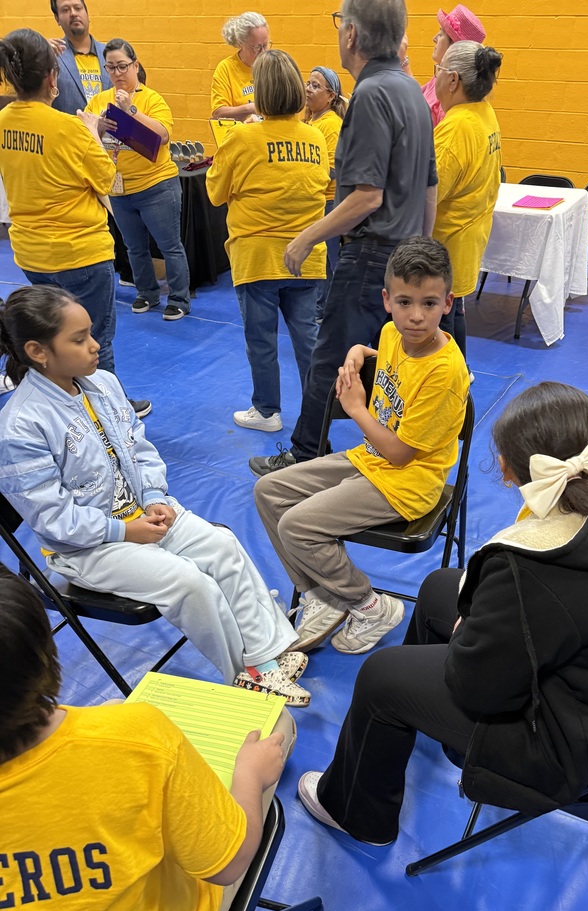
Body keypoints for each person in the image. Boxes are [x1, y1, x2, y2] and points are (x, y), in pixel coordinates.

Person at [295, 381, 588, 845]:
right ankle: (406, 726)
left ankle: (359, 814)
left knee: (382, 676)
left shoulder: (532, 565)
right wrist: (478, 622)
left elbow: (480, 690)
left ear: (506, 469)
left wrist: (467, 637)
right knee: (440, 588)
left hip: (570, 746)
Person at [0, 285, 311, 707]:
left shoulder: (103, 384)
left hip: (144, 513)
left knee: (222, 545)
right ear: (38, 351)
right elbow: (52, 519)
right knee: (188, 582)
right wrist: (124, 531)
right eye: (79, 340)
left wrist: (153, 496)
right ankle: (244, 675)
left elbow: (139, 449)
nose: (95, 346)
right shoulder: (21, 425)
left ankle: (264, 656)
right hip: (88, 546)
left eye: (91, 333)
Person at [0, 563, 295, 911]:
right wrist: (248, 777)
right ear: (45, 653)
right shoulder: (136, 736)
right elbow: (229, 866)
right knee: (277, 725)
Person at [254, 237, 469, 656]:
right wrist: (357, 350)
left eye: (429, 304)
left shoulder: (445, 372)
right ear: (387, 300)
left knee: (297, 525)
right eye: (405, 302)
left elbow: (402, 455)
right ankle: (321, 593)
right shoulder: (390, 332)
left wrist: (356, 409)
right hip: (370, 461)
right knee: (268, 491)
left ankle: (370, 606)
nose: (416, 317)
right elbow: (384, 355)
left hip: (407, 482)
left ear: (448, 303)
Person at [249, 0, 437, 477]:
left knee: (330, 361)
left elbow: (367, 197)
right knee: (384, 363)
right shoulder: (412, 91)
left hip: (371, 253)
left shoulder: (372, 94)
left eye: (339, 24)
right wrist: (422, 250)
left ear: (351, 35)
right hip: (402, 252)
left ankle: (305, 454)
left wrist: (304, 238)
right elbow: (428, 186)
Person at [0, 28, 150, 418]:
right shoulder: (69, 128)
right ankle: (108, 413)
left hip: (32, 253)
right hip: (80, 252)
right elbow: (105, 181)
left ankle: (64, 409)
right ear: (53, 77)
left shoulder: (3, 121)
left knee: (51, 339)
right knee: (94, 340)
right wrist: (91, 133)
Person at [207, 50, 329, 433]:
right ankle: (318, 413)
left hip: (257, 257)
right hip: (306, 254)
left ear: (259, 93)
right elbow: (320, 188)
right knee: (308, 339)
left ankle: (266, 410)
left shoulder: (242, 137)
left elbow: (214, 192)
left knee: (261, 340)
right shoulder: (315, 137)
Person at [85, 39, 191, 321]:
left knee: (169, 246)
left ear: (135, 65)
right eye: (111, 67)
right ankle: (147, 292)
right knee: (134, 247)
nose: (118, 73)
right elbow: (87, 138)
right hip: (119, 189)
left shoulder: (151, 98)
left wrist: (132, 110)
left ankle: (179, 298)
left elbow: (164, 134)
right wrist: (98, 126)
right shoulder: (98, 100)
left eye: (123, 66)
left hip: (156, 186)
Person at [432, 41, 503, 357]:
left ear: (453, 80)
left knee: (440, 316)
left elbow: (429, 191)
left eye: (438, 71)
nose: (434, 78)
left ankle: (449, 378)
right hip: (471, 231)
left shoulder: (456, 127)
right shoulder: (484, 113)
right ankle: (463, 369)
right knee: (455, 308)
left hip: (448, 239)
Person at [303, 65, 346, 320]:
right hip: (315, 202)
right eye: (308, 83)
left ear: (331, 96)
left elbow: (332, 169)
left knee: (334, 262)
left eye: (316, 85)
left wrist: (301, 176)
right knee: (322, 263)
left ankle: (340, 313)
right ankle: (322, 310)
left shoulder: (332, 124)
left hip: (329, 202)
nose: (308, 89)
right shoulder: (309, 121)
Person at [422, 5, 486, 128]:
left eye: (441, 34)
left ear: (454, 47)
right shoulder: (439, 77)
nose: (434, 38)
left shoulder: (448, 95)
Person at [48, 0, 110, 115]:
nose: (73, 13)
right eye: (65, 10)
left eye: (78, 8)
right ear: (57, 19)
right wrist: (40, 54)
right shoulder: (51, 56)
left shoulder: (110, 54)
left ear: (87, 13)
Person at [211, 11, 270, 121]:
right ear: (240, 43)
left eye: (265, 45)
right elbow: (218, 113)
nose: (263, 52)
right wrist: (250, 108)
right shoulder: (226, 68)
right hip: (240, 134)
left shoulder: (273, 65)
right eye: (256, 47)